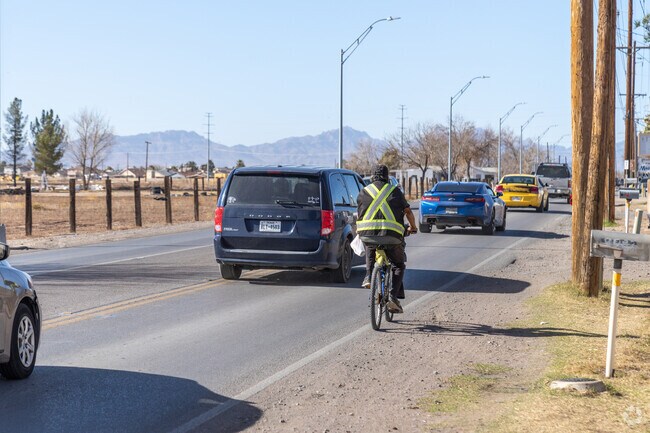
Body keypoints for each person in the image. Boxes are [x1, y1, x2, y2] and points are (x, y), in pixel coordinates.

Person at [356, 164, 417, 313]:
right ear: (387, 176)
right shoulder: (394, 191)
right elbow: (408, 212)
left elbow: (360, 213)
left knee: (370, 244)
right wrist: (413, 227)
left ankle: (369, 276)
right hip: (392, 236)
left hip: (367, 234)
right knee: (398, 264)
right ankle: (392, 297)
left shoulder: (364, 191)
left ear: (372, 177)